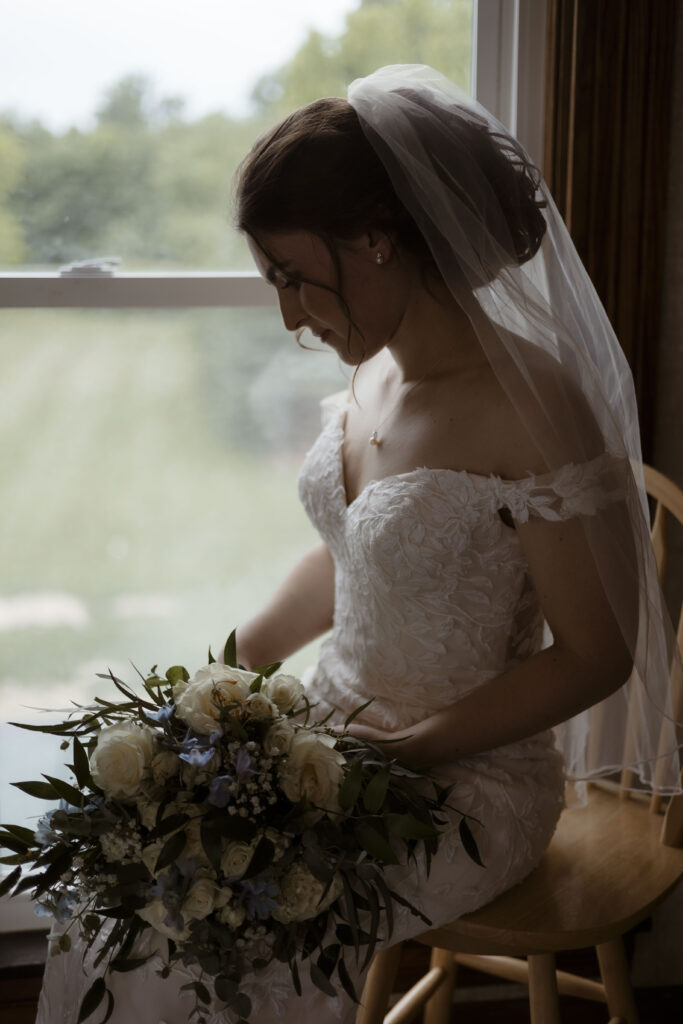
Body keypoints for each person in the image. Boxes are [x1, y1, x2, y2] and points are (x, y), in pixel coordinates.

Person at [36, 65, 680, 1024]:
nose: (289, 315)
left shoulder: (531, 403)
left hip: (468, 778)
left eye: (294, 278)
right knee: (121, 876)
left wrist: (417, 752)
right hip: (330, 730)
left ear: (377, 239)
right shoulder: (373, 371)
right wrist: (228, 674)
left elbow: (597, 654)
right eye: (275, 284)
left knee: (216, 936)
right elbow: (356, 555)